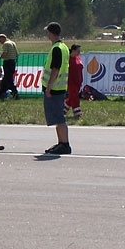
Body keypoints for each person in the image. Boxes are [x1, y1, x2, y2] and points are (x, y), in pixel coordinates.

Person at [42, 21, 71, 155]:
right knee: (57, 118)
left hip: (55, 88)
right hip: (59, 86)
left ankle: (65, 144)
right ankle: (61, 142)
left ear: (51, 33)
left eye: (48, 32)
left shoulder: (57, 48)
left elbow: (55, 68)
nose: (47, 35)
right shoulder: (63, 46)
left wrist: (49, 87)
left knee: (59, 118)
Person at [0, 34, 19, 99]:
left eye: (0, 40)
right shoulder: (13, 43)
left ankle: (15, 93)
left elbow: (5, 53)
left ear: (2, 38)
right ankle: (1, 93)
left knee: (8, 79)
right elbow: (17, 53)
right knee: (6, 79)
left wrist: (0, 57)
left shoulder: (5, 44)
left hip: (7, 62)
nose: (0, 42)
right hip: (13, 62)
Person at [65, 43, 83, 118]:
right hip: (71, 81)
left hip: (78, 81)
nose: (79, 53)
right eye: (78, 51)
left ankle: (62, 110)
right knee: (74, 97)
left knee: (71, 98)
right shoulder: (68, 59)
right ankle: (77, 113)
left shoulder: (78, 58)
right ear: (73, 50)